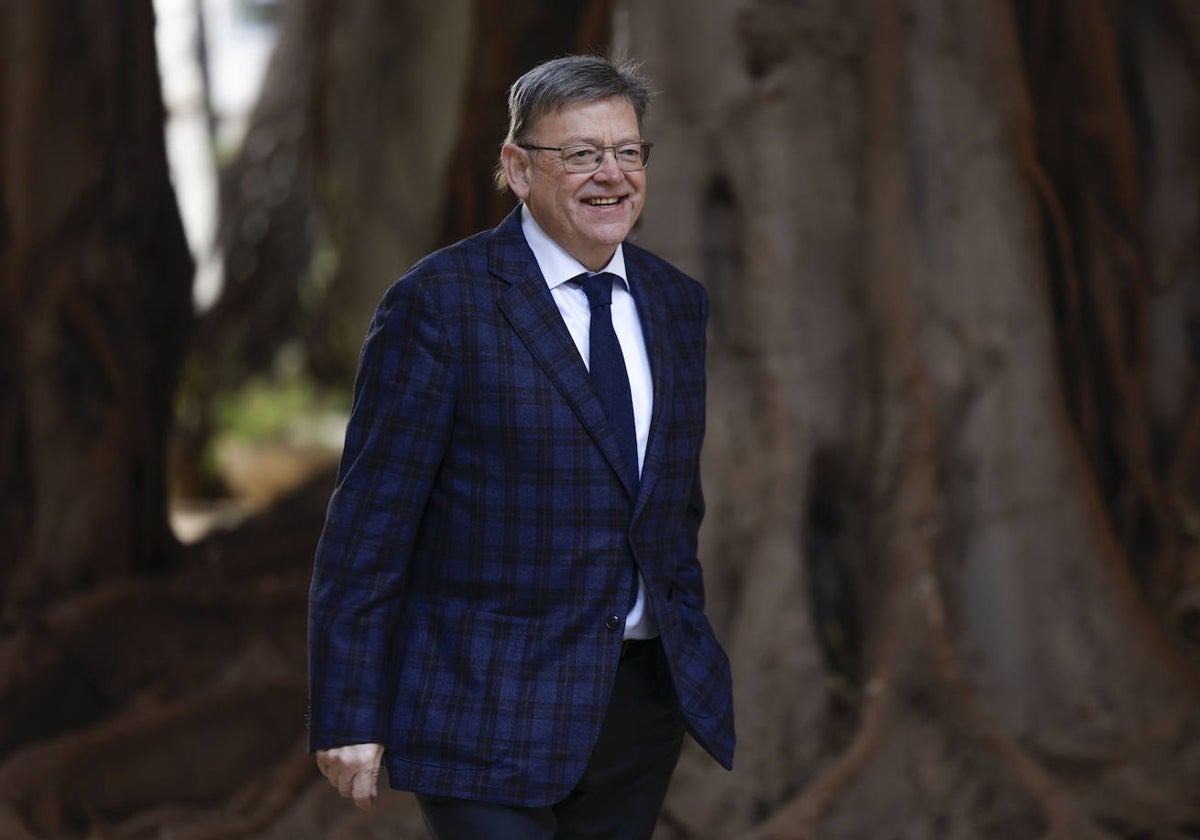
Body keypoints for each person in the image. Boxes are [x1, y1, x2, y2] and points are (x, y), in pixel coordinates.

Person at [307, 53, 734, 839]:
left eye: (628, 152)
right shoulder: (438, 305)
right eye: (580, 154)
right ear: (517, 167)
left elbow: (670, 505)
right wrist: (348, 708)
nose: (611, 176)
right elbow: (369, 526)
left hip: (638, 709)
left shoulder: (677, 305)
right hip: (481, 707)